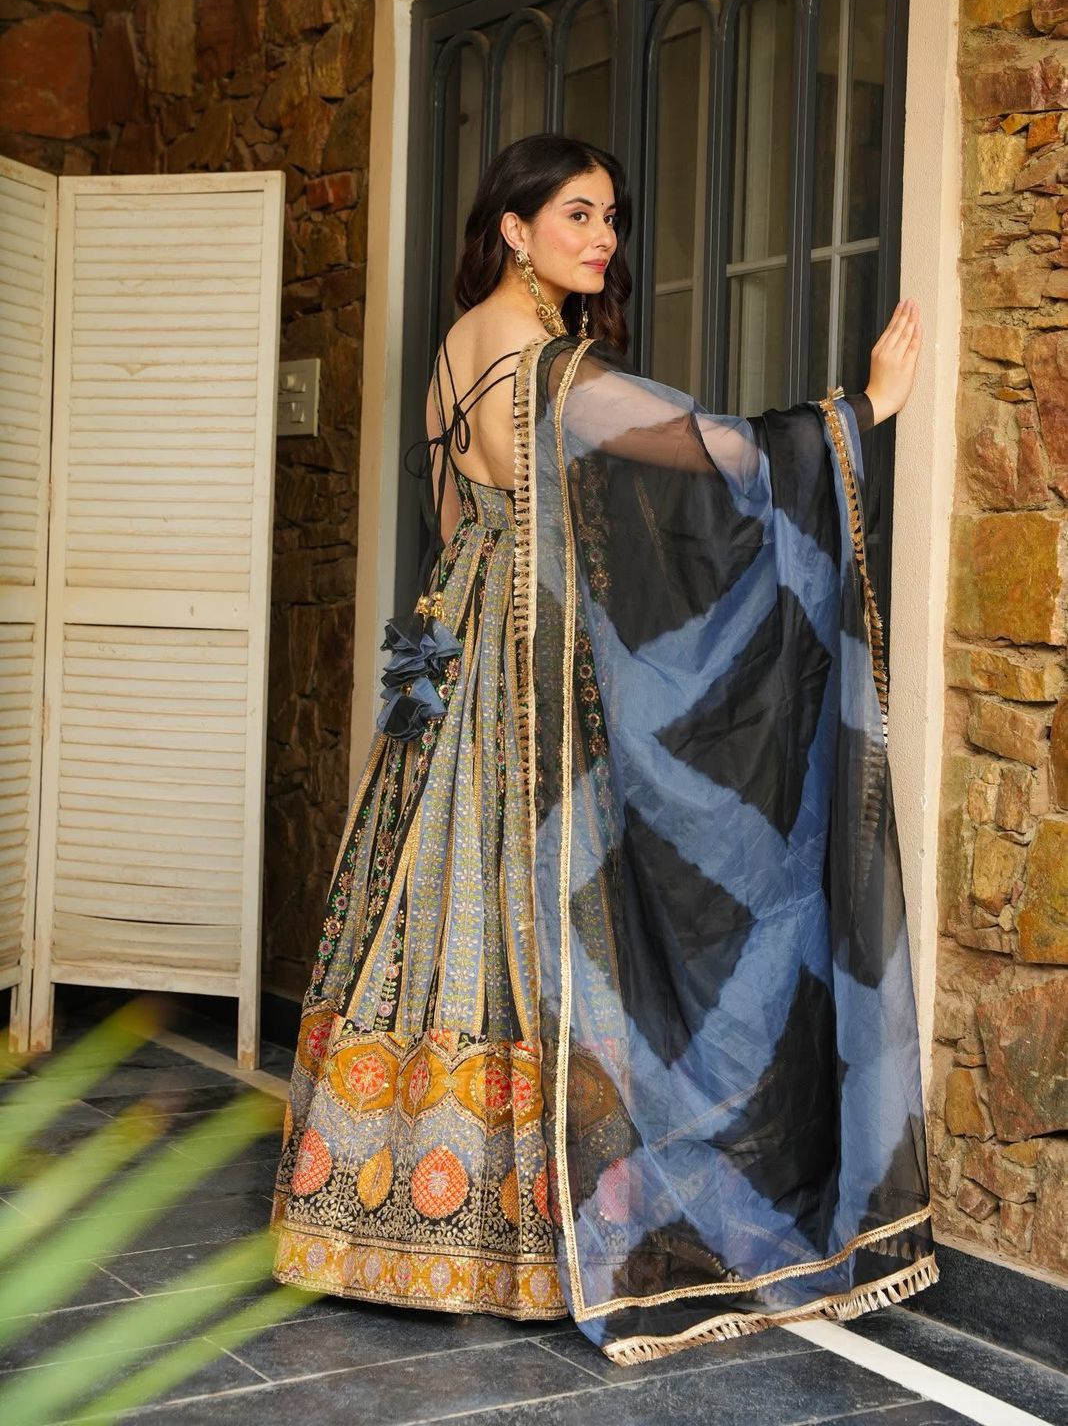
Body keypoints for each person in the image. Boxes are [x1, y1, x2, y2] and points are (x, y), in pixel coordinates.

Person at [269, 133, 934, 1365]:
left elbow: (456, 526)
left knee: (447, 908)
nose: (603, 237)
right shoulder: (549, 366)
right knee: (550, 921)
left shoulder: (454, 352)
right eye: (577, 213)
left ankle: (382, 1211)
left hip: (454, 657)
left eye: (612, 216)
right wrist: (861, 413)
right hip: (532, 679)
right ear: (513, 227)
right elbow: (715, 453)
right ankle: (527, 1237)